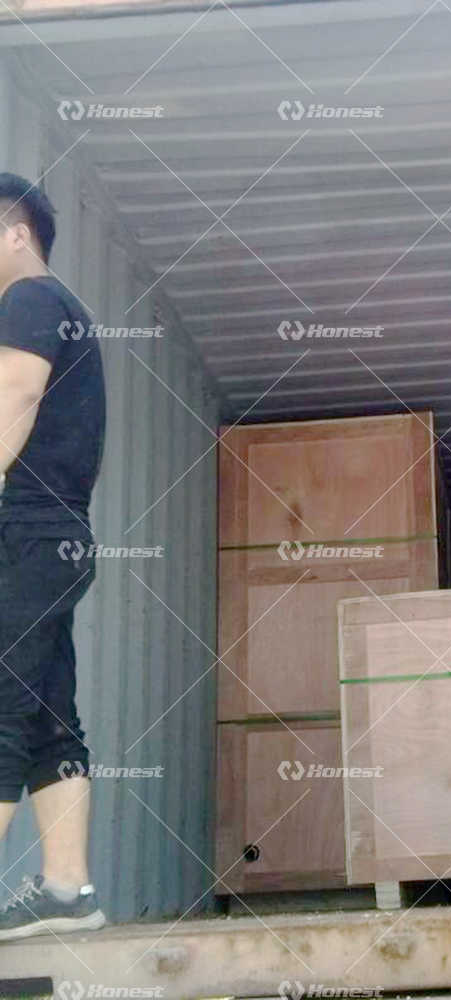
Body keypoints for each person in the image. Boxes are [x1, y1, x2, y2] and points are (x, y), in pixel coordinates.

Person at [0, 172, 107, 939]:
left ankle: (69, 890)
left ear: (16, 234)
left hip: (28, 538)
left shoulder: (30, 299)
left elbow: (14, 398)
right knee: (44, 716)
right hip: (54, 540)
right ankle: (69, 892)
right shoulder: (59, 307)